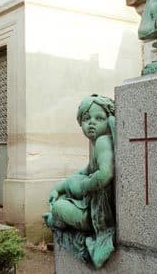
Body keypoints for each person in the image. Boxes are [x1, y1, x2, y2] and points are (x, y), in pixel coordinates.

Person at [43, 94, 116, 268]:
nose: (92, 122)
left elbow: (106, 174)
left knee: (59, 207)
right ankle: (57, 217)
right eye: (86, 118)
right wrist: (60, 187)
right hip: (90, 206)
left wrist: (83, 186)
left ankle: (56, 219)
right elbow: (85, 171)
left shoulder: (103, 142)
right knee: (63, 197)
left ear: (110, 119)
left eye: (99, 118)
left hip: (96, 215)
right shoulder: (96, 144)